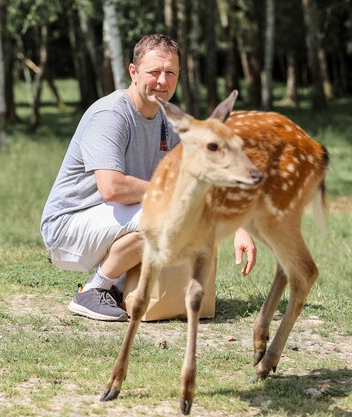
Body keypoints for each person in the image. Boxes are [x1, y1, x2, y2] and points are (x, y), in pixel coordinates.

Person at [40, 34, 257, 322]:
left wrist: (239, 225)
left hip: (111, 222)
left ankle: (119, 288)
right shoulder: (111, 114)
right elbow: (112, 188)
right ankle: (94, 289)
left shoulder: (169, 120)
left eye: (170, 73)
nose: (162, 81)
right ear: (133, 71)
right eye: (154, 72)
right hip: (67, 226)